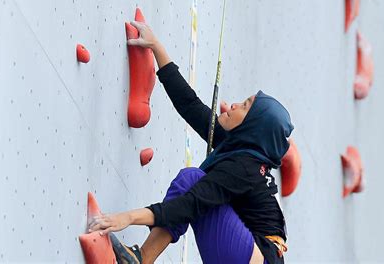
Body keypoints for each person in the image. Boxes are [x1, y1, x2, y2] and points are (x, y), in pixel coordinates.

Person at [89, 20, 294, 264]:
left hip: (256, 255)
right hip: (250, 253)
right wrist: (156, 47)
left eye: (246, 106)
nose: (235, 105)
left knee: (191, 180)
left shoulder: (243, 168)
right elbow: (190, 106)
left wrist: (127, 218)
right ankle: (140, 260)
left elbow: (191, 203)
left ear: (254, 126)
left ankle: (142, 260)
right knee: (191, 184)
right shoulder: (239, 146)